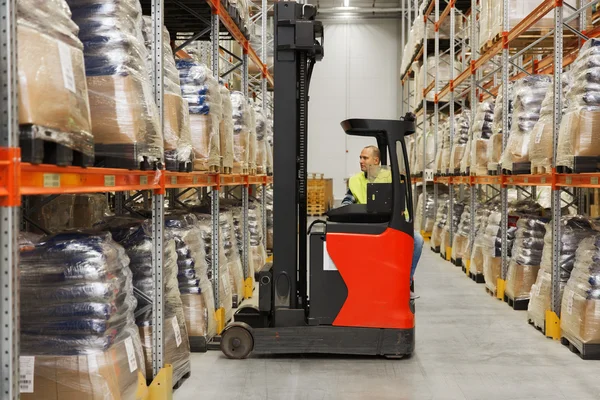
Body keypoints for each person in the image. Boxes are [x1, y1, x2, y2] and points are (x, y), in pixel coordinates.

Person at [342, 145, 423, 298]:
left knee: (417, 240)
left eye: (365, 158)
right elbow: (348, 200)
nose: (361, 161)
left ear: (376, 160)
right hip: (366, 225)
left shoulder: (391, 177)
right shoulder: (355, 180)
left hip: (390, 223)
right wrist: (347, 208)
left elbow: (400, 204)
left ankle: (406, 281)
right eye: (360, 157)